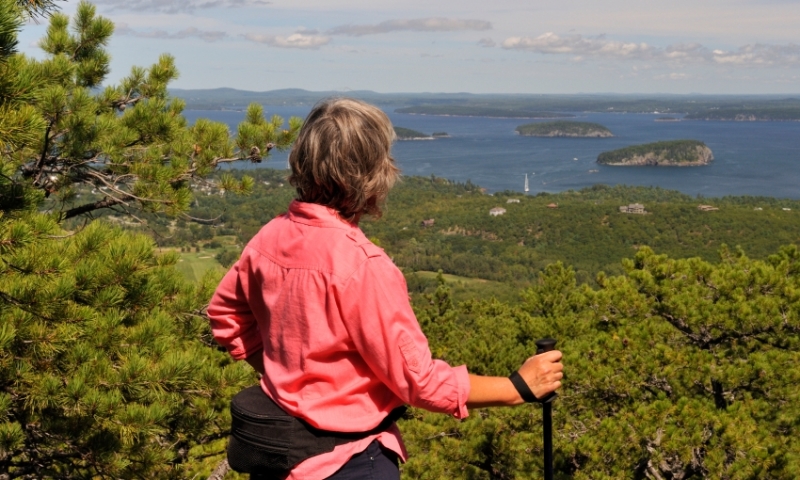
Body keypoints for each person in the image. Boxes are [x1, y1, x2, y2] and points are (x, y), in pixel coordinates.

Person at [207, 97, 564, 480]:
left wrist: (286, 379)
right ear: (371, 174)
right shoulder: (363, 266)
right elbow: (419, 381)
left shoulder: (270, 236)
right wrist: (518, 388)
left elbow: (226, 315)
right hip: (349, 462)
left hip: (278, 450)